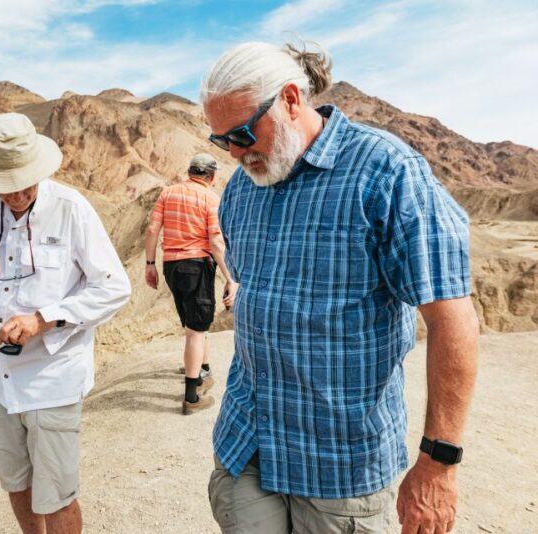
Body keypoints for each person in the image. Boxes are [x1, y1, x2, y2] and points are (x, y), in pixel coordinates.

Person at [201, 42, 479, 533]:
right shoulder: (242, 187)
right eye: (223, 141)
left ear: (290, 98)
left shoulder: (387, 172)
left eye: (243, 133)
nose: (237, 152)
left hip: (338, 465)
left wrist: (439, 463)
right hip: (247, 442)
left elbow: (452, 317)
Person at [0, 113, 131, 534]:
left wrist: (43, 319)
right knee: (17, 485)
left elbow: (114, 288)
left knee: (54, 495)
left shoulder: (71, 209)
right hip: (1, 379)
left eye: (24, 183)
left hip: (53, 379)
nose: (15, 195)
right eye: (4, 187)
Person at [144, 153, 236, 415]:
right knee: (196, 330)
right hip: (197, 265)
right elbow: (216, 243)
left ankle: (203, 370)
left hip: (171, 265)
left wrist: (150, 265)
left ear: (190, 172)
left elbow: (152, 230)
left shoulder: (168, 193)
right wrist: (231, 278)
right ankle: (191, 397)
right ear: (212, 177)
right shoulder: (211, 199)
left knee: (194, 323)